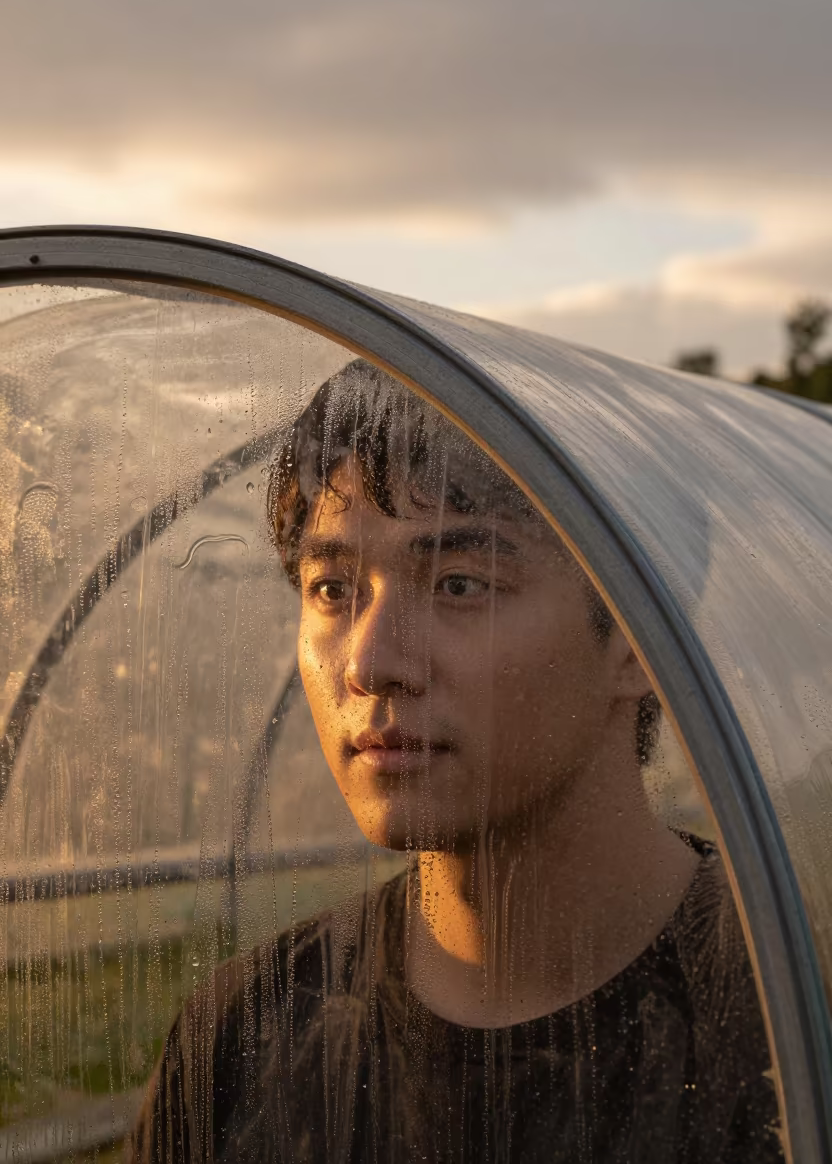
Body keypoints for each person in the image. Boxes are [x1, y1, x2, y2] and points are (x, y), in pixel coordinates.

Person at [130, 360, 782, 1163]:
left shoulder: (790, 1022)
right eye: (332, 589)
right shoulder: (240, 1038)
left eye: (461, 583)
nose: (369, 662)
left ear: (638, 635)